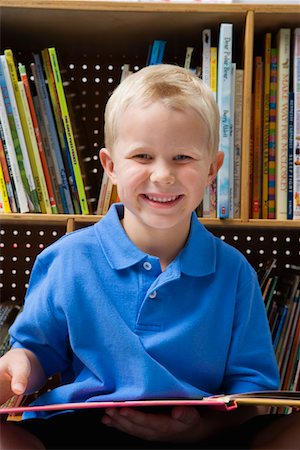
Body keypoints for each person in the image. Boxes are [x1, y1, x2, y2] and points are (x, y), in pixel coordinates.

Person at [0, 64, 299, 449]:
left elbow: (251, 395)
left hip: (200, 432)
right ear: (111, 167)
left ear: (212, 169)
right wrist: (19, 366)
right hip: (88, 428)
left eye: (182, 157)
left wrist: (201, 428)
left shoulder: (233, 271)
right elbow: (36, 353)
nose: (162, 175)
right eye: (142, 156)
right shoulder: (68, 258)